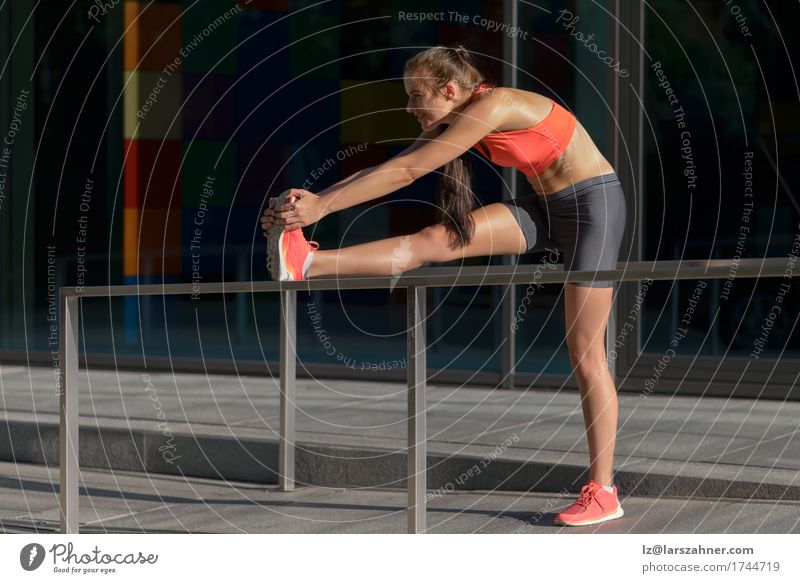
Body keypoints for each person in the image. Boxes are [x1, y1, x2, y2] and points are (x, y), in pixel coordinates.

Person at [260, 44, 626, 527]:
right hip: (546, 207)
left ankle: (604, 492)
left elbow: (411, 171)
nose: (410, 108)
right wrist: (313, 203)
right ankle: (306, 262)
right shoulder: (459, 118)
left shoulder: (494, 106)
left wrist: (321, 208)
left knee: (585, 351)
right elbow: (390, 167)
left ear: (450, 91)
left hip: (594, 208)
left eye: (416, 96)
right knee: (434, 239)